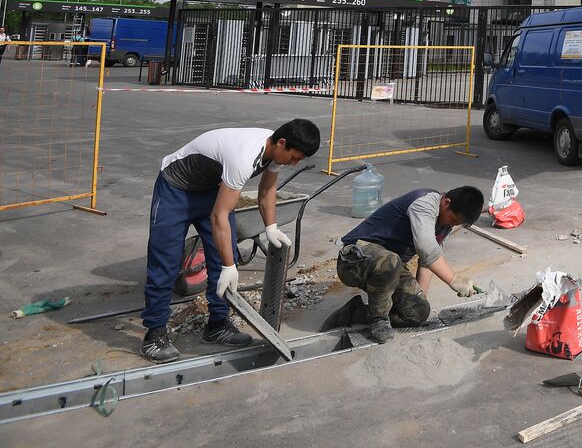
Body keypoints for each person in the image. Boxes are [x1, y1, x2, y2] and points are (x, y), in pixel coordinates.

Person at [140, 119, 321, 363]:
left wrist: (271, 227)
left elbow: (267, 190)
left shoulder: (274, 150)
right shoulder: (244, 156)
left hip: (210, 188)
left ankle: (217, 325)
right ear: (282, 143)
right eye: (294, 157)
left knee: (225, 255)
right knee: (166, 262)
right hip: (176, 189)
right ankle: (155, 334)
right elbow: (219, 215)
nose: (294, 163)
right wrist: (228, 267)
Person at [320, 185, 485, 343]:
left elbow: (427, 262)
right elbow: (426, 248)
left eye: (457, 224)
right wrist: (454, 279)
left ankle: (355, 312)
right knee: (391, 261)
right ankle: (379, 319)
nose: (452, 225)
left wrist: (419, 298)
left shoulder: (443, 224)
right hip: (353, 260)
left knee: (418, 312)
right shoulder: (424, 203)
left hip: (390, 266)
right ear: (446, 202)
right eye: (453, 220)